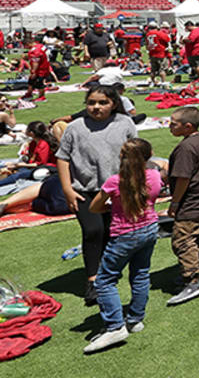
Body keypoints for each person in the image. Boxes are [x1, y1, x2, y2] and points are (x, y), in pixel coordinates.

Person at [56, 85, 138, 305]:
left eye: (103, 102)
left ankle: (108, 271)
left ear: (113, 103)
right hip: (84, 190)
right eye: (91, 102)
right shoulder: (75, 127)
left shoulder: (124, 123)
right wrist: (67, 189)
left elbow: (135, 152)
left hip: (118, 190)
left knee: (113, 232)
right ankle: (93, 280)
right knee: (93, 230)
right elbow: (62, 158)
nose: (96, 107)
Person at [83, 138, 163, 354]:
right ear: (149, 155)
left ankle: (115, 326)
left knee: (105, 280)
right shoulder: (154, 176)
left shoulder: (114, 182)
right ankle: (135, 319)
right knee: (140, 274)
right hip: (150, 229)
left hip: (124, 234)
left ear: (122, 157)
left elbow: (93, 207)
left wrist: (112, 208)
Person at [165, 107, 199, 306]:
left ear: (188, 126)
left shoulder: (186, 148)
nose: (170, 126)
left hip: (191, 197)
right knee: (197, 233)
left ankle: (192, 280)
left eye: (173, 124)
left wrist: (175, 201)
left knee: (183, 238)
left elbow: (183, 178)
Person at [0, 121, 56, 188]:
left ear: (31, 133)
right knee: (3, 166)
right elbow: (30, 157)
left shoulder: (43, 145)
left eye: (27, 129)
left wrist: (20, 165)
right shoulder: (33, 143)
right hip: (31, 165)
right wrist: (16, 163)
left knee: (19, 174)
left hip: (43, 167)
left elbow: (40, 164)